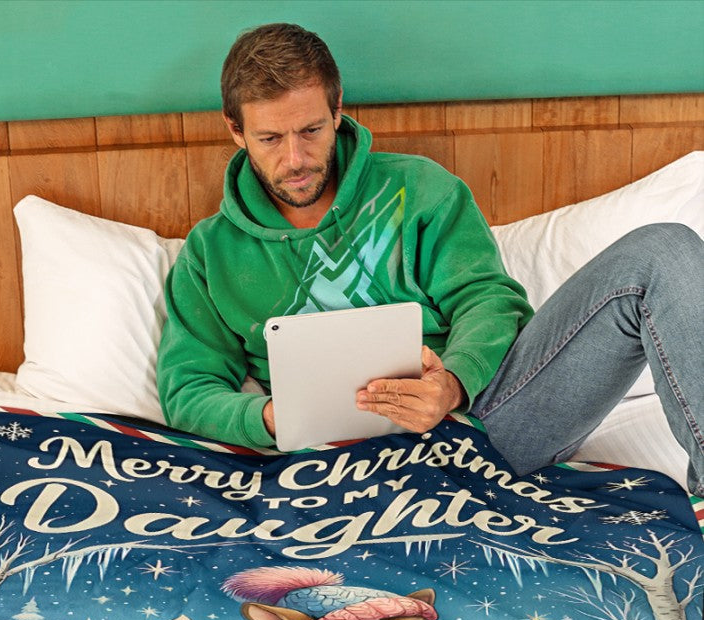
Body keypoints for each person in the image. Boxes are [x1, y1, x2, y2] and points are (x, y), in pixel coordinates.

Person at [156, 23, 704, 495]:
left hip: (483, 429)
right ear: (235, 130)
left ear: (338, 109)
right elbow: (188, 389)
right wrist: (271, 418)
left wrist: (454, 384)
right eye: (271, 138)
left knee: (663, 250)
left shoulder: (421, 189)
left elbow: (488, 301)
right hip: (329, 469)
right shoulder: (209, 253)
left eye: (311, 130)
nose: (295, 159)